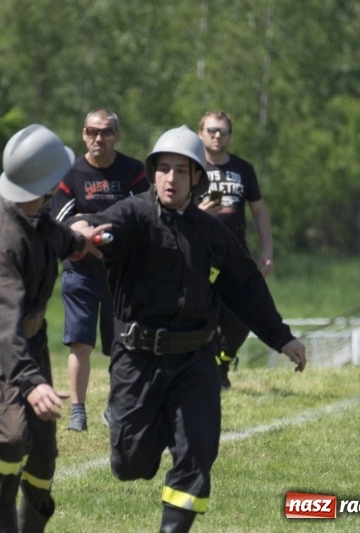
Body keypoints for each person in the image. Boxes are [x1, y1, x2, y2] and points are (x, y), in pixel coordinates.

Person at [68, 125, 306, 532]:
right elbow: (97, 225)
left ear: (196, 177)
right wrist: (80, 231)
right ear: (153, 173)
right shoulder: (133, 215)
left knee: (197, 453)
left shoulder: (211, 233)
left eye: (181, 170)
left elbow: (245, 286)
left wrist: (281, 337)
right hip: (137, 359)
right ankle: (149, 422)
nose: (171, 178)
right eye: (164, 169)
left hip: (195, 361)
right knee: (130, 463)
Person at [0, 124, 110, 532]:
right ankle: (1, 520)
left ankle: (33, 522)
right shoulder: (0, 240)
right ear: (46, 181)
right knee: (9, 436)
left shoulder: (29, 211)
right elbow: (2, 323)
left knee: (42, 455)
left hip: (28, 339)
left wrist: (81, 241)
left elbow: (54, 236)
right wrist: (31, 382)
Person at [49, 108, 147, 432]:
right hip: (80, 270)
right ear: (83, 134)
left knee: (122, 345)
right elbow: (62, 223)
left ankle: (115, 407)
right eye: (92, 131)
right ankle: (78, 412)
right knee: (80, 343)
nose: (98, 138)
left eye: (105, 132)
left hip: (122, 272)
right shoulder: (70, 173)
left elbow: (143, 216)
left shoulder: (134, 171)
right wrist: (87, 237)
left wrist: (91, 225)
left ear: (117, 135)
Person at [197, 110, 274, 389]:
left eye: (223, 131)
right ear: (200, 134)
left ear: (230, 135)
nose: (217, 136)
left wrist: (267, 250)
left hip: (235, 256)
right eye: (212, 130)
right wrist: (199, 211)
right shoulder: (190, 167)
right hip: (200, 255)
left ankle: (224, 361)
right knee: (202, 314)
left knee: (243, 316)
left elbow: (259, 211)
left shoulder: (243, 169)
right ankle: (206, 368)